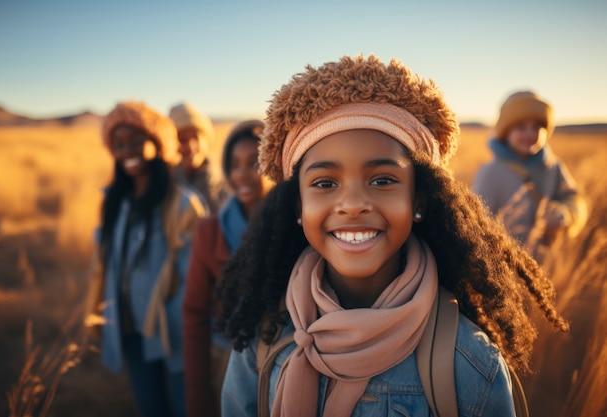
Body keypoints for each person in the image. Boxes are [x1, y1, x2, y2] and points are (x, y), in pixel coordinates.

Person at [214, 55, 570, 417]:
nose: (352, 204)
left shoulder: (470, 365)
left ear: (417, 200)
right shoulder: (261, 343)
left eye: (382, 180)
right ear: (298, 207)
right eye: (324, 183)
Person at [96, 101, 207, 417]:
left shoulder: (184, 204)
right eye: (119, 144)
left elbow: (194, 277)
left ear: (157, 145)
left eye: (135, 140)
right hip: (131, 329)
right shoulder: (115, 203)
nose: (127, 150)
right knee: (151, 408)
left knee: (189, 407)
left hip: (173, 333)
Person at [182, 119, 272, 417]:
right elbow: (195, 313)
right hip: (228, 364)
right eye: (234, 165)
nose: (242, 173)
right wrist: (198, 397)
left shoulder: (299, 228)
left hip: (286, 364)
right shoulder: (210, 232)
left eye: (254, 163)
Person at [473, 91, 588, 262]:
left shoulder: (553, 166)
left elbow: (573, 197)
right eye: (521, 127)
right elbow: (476, 222)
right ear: (505, 132)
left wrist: (566, 213)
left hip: (546, 263)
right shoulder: (491, 172)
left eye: (536, 127)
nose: (530, 134)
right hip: (504, 264)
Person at [169, 102, 228, 214]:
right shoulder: (165, 189)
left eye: (196, 137)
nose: (191, 146)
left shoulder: (226, 187)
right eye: (182, 140)